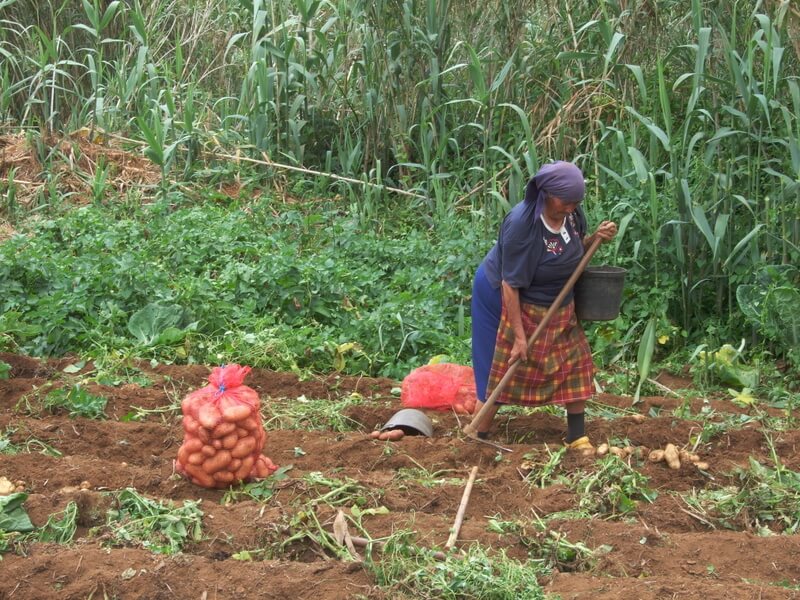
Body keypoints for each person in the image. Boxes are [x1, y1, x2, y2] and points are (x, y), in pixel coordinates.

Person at [470, 161, 617, 450]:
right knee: (500, 369)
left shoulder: (572, 214)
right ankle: (478, 437)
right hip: (504, 296)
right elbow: (510, 284)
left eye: (577, 202)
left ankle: (576, 436)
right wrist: (520, 337)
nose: (572, 207)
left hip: (557, 302)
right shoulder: (523, 225)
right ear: (546, 194)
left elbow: (573, 253)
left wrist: (595, 239)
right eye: (566, 201)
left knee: (576, 364)